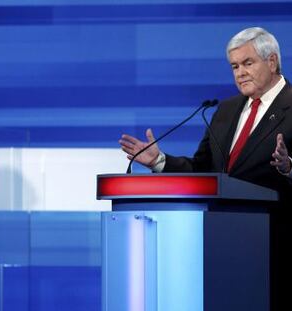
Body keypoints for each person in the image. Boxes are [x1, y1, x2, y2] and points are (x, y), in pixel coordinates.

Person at [120, 27, 292, 311]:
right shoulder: (225, 110)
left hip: (277, 247)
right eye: (234, 66)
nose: (240, 73)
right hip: (224, 246)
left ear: (272, 61)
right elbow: (202, 170)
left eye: (248, 63)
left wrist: (289, 168)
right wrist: (159, 161)